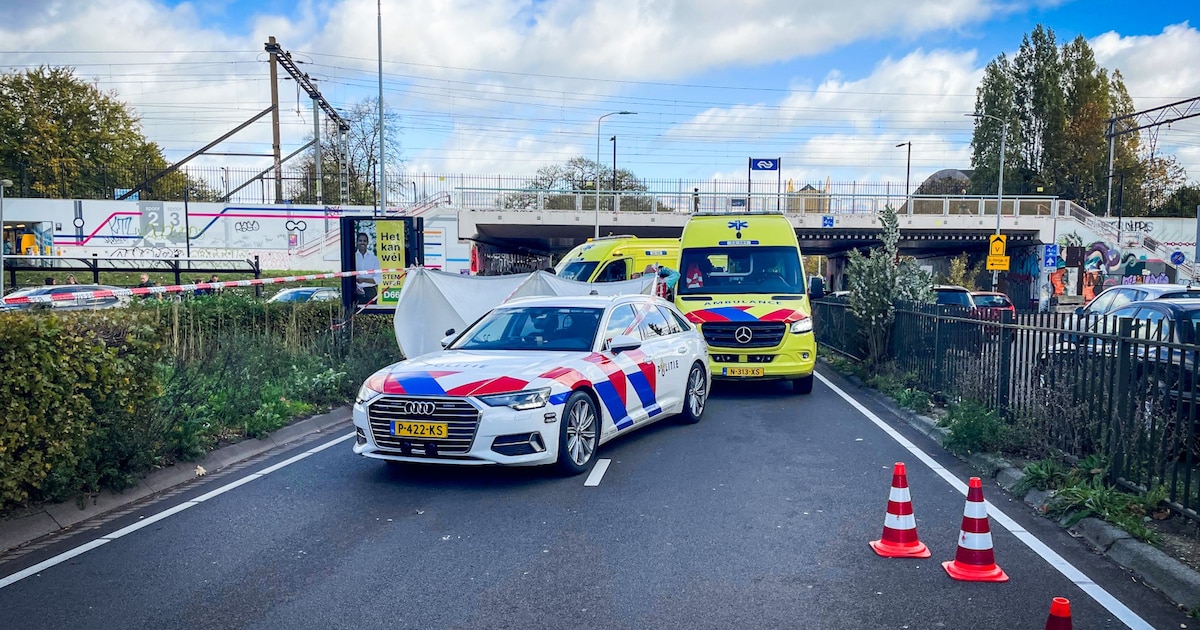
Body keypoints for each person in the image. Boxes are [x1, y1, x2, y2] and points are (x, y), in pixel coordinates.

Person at [353, 231, 382, 305]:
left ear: (367, 243)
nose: (362, 243)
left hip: (370, 292)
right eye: (360, 241)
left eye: (364, 241)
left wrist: (363, 280)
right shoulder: (352, 258)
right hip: (355, 292)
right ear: (357, 242)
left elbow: (378, 279)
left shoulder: (374, 259)